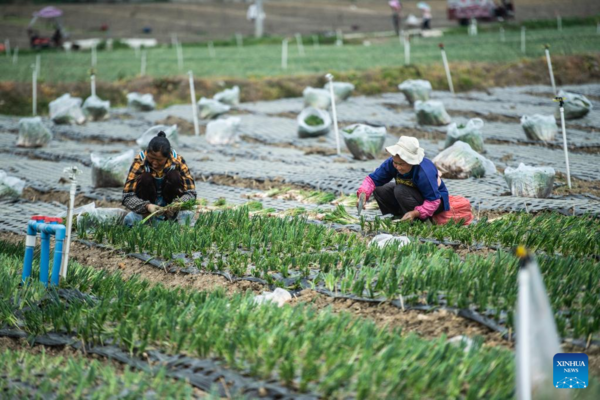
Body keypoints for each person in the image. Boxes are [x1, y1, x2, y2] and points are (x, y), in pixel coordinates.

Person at [356, 136, 449, 221]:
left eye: (402, 164)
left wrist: (416, 213)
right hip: (409, 196)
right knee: (380, 189)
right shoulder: (392, 162)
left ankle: (418, 220)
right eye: (395, 163)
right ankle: (397, 217)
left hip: (434, 203)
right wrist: (363, 194)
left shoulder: (424, 172)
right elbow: (372, 180)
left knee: (400, 190)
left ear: (411, 162)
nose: (398, 167)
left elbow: (433, 201)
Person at [122, 132, 197, 227]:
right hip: (147, 210)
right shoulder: (139, 161)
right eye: (151, 158)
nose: (154, 163)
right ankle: (147, 219)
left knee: (174, 176)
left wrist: (176, 205)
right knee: (145, 178)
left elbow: (191, 193)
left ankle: (173, 218)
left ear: (167, 157)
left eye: (159, 160)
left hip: (171, 209)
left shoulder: (178, 161)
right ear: (147, 152)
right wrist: (147, 206)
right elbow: (127, 196)